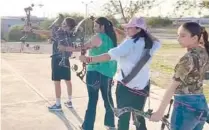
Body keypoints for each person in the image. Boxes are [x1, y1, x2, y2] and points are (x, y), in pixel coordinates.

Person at [75, 17, 161, 130]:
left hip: (126, 88)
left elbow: (108, 56)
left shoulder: (129, 44)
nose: (127, 29)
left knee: (123, 119)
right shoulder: (152, 43)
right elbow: (157, 40)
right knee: (139, 118)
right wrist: (142, 31)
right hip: (142, 87)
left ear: (139, 29)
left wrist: (88, 59)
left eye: (130, 27)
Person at [58, 17, 118, 130]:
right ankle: (111, 125)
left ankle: (87, 127)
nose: (94, 28)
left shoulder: (98, 37)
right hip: (108, 74)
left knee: (92, 101)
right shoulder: (112, 39)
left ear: (102, 27)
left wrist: (65, 48)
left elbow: (81, 47)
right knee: (108, 99)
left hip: (95, 73)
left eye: (96, 26)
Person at [150, 22, 209, 130]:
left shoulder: (188, 58)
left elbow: (172, 86)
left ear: (195, 38)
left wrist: (159, 112)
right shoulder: (204, 52)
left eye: (183, 35)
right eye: (178, 35)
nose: (178, 39)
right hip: (201, 103)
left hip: (185, 106)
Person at [24, 16, 75, 111]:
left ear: (69, 27)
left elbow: (47, 33)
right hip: (66, 59)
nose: (62, 25)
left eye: (64, 24)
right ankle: (69, 101)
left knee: (57, 82)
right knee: (68, 80)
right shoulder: (70, 34)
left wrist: (31, 30)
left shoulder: (60, 33)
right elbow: (53, 36)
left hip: (57, 59)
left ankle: (58, 104)